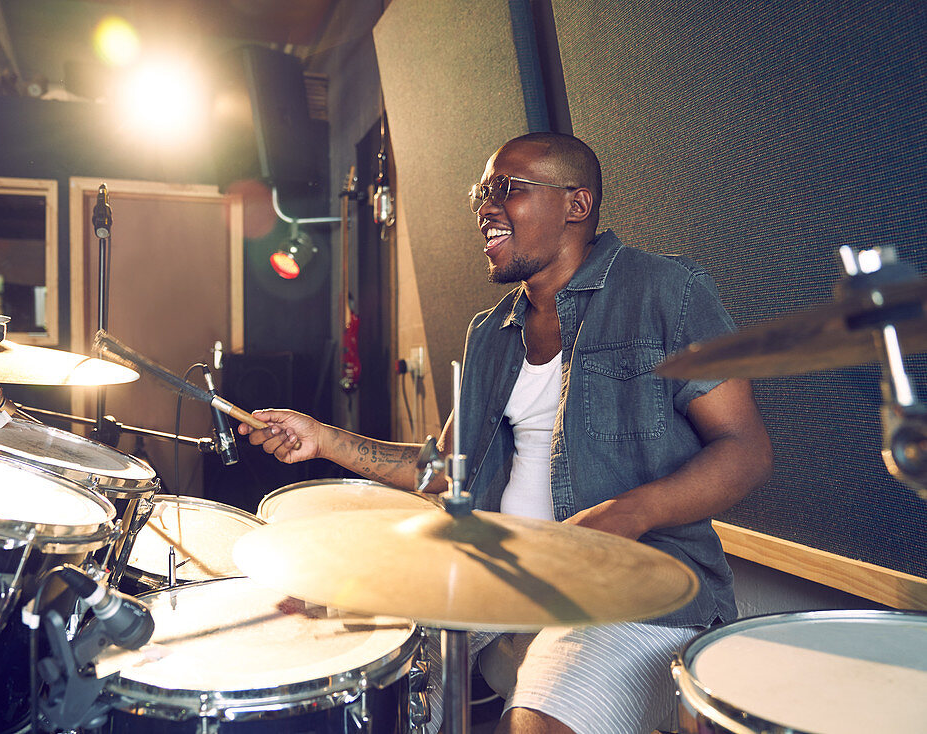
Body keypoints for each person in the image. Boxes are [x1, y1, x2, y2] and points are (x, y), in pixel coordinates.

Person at [238, 132, 773, 734]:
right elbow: (442, 473)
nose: (484, 207)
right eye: (481, 193)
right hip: (501, 566)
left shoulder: (666, 292)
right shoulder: (490, 333)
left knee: (537, 723)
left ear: (576, 203)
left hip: (634, 585)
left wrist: (625, 514)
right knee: (324, 638)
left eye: (506, 190)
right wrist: (322, 438)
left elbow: (745, 449)